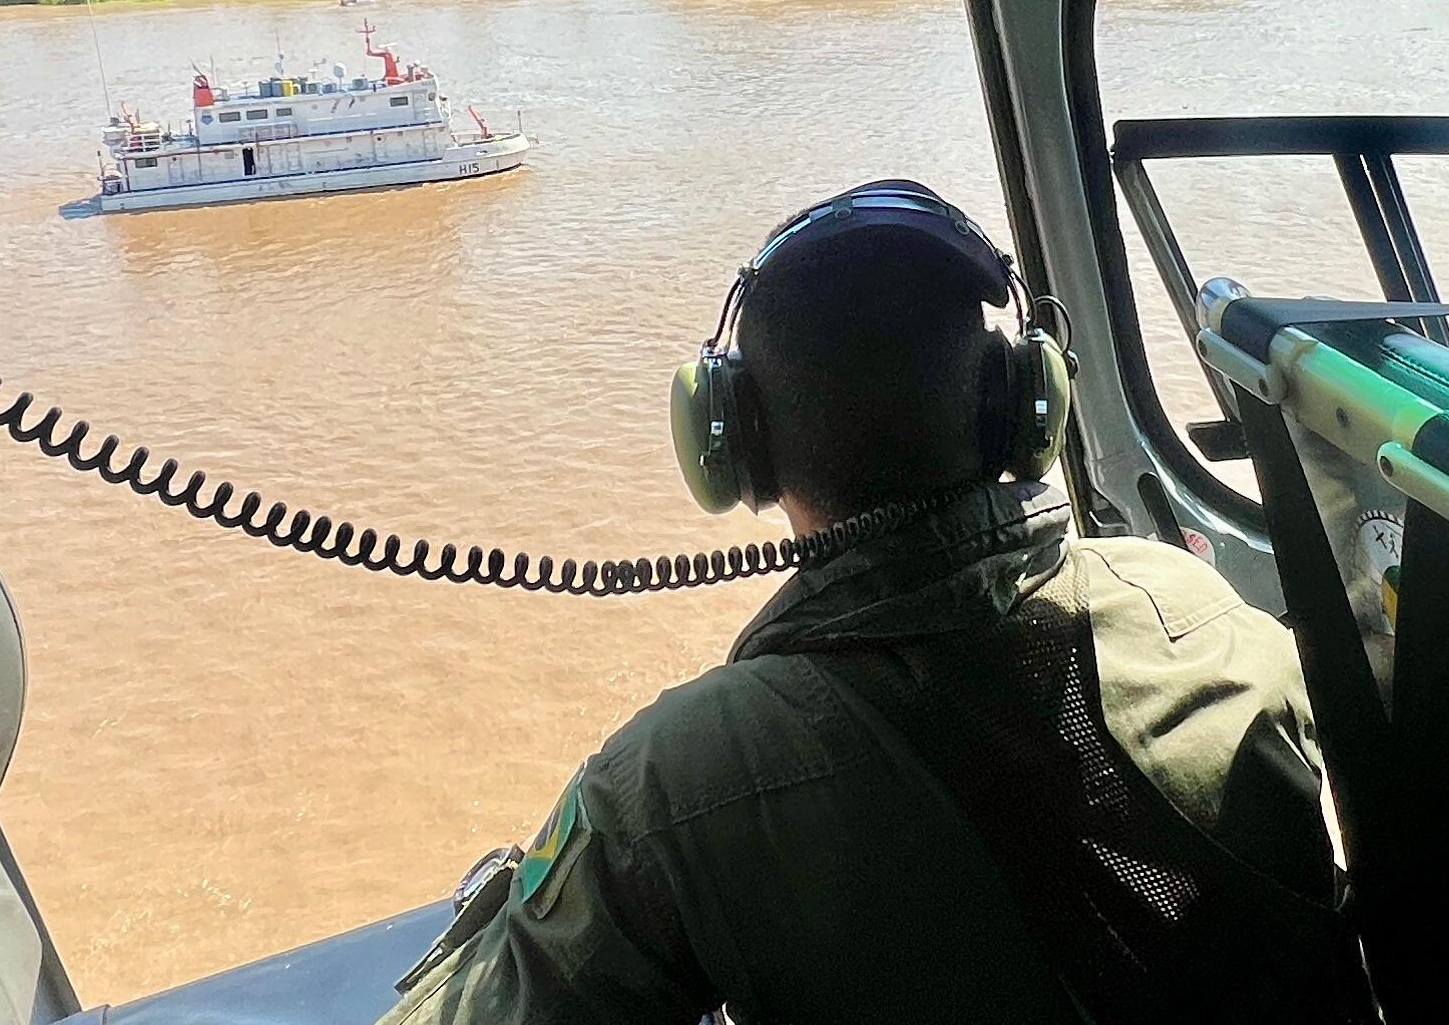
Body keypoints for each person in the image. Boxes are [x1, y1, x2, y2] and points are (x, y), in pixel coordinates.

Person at [379, 181, 1369, 1025]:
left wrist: (510, 900)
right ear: (1023, 410)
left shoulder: (673, 783)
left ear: (736, 448)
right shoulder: (1198, 603)